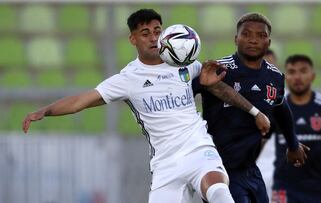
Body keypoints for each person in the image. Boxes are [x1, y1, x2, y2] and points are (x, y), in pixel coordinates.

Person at [22, 9, 271, 203]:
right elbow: (81, 102)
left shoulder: (185, 63)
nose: (153, 37)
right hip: (166, 163)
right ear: (133, 39)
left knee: (219, 192)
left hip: (199, 150)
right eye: (145, 33)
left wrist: (254, 111)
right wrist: (45, 111)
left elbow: (220, 88)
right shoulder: (128, 78)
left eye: (157, 31)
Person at [193, 13, 309, 203]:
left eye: (260, 35)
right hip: (219, 168)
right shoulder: (218, 70)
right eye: (246, 34)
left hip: (250, 170)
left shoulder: (275, 77)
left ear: (268, 41)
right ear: (235, 39)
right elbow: (184, 96)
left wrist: (293, 144)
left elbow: (281, 109)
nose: (253, 40)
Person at [271, 54, 321, 203]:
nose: (297, 77)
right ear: (285, 77)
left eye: (303, 71)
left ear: (312, 76)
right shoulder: (276, 107)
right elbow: (260, 140)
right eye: (291, 72)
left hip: (317, 188)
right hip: (283, 187)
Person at [256, 49, 278, 200]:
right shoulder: (241, 97)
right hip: (252, 167)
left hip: (278, 169)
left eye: (271, 65)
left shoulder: (286, 99)